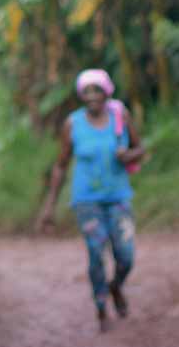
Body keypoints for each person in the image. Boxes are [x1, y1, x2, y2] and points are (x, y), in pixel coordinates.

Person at [33, 68, 145, 332]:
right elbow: (61, 165)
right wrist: (49, 206)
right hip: (86, 201)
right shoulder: (73, 124)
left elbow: (140, 148)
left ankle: (115, 286)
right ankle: (101, 306)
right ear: (81, 95)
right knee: (96, 253)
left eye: (97, 90)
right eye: (87, 91)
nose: (93, 96)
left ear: (107, 92)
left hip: (118, 197)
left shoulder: (121, 116)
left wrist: (130, 156)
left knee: (125, 256)